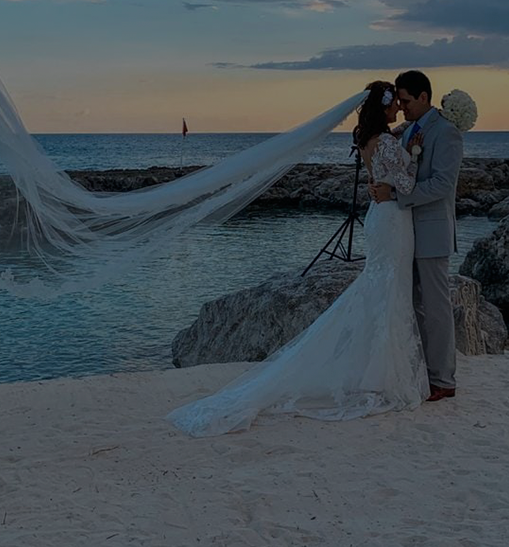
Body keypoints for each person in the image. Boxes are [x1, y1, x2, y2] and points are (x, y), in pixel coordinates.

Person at [167, 81, 429, 436]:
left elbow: (385, 175)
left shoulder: (367, 140)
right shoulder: (385, 142)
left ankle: (375, 371)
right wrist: (413, 153)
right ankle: (384, 375)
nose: (398, 107)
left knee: (380, 289)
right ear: (383, 108)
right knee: (389, 290)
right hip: (393, 219)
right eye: (394, 103)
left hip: (377, 217)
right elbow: (408, 184)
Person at [370, 70, 464, 402]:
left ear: (424, 98)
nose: (402, 106)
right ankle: (420, 371)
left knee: (437, 308)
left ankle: (443, 379)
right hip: (406, 231)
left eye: (406, 100)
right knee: (412, 304)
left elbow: (441, 185)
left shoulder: (447, 134)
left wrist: (396, 195)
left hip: (433, 230)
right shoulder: (408, 129)